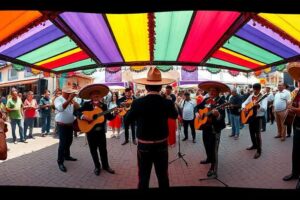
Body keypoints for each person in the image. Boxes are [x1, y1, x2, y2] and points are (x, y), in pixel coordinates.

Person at [124, 67, 178, 189]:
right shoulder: (167, 102)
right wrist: (169, 102)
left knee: (143, 177)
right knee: (163, 176)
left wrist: (129, 110)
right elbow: (174, 115)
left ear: (146, 87)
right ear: (160, 87)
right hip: (161, 145)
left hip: (144, 146)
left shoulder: (138, 102)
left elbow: (127, 121)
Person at [75, 84, 116, 176]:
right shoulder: (86, 105)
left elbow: (110, 117)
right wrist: (83, 116)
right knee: (93, 150)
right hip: (90, 131)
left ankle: (106, 166)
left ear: (101, 96)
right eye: (94, 94)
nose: (96, 95)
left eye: (98, 94)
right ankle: (97, 166)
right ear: (90, 96)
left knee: (103, 150)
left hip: (101, 132)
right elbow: (76, 112)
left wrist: (116, 113)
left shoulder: (104, 106)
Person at [195, 81, 227, 177]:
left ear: (217, 92)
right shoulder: (206, 100)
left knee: (214, 148)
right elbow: (197, 107)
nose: (211, 92)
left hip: (215, 128)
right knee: (206, 144)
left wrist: (218, 115)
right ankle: (209, 158)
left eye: (213, 91)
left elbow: (222, 117)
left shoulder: (221, 102)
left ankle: (213, 167)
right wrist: (197, 113)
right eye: (210, 90)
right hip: (205, 127)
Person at [282, 62, 300, 189]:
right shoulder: (296, 91)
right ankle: (295, 173)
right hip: (297, 123)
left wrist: (292, 108)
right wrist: (290, 105)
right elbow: (290, 104)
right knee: (296, 150)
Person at [54, 88, 79, 172]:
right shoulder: (58, 99)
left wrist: (74, 102)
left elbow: (78, 108)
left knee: (69, 141)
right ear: (64, 92)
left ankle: (67, 156)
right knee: (63, 143)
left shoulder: (71, 100)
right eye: (69, 93)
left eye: (71, 93)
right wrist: (69, 100)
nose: (70, 94)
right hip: (62, 125)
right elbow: (61, 109)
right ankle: (60, 161)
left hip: (70, 125)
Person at [242, 83, 268, 159]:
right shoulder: (251, 96)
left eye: (256, 89)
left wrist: (259, 106)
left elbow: (264, 108)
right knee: (251, 133)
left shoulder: (263, 97)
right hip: (251, 117)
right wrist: (244, 108)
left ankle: (259, 150)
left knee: (258, 134)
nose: (255, 91)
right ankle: (254, 145)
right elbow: (244, 103)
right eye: (254, 89)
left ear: (259, 89)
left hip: (258, 118)